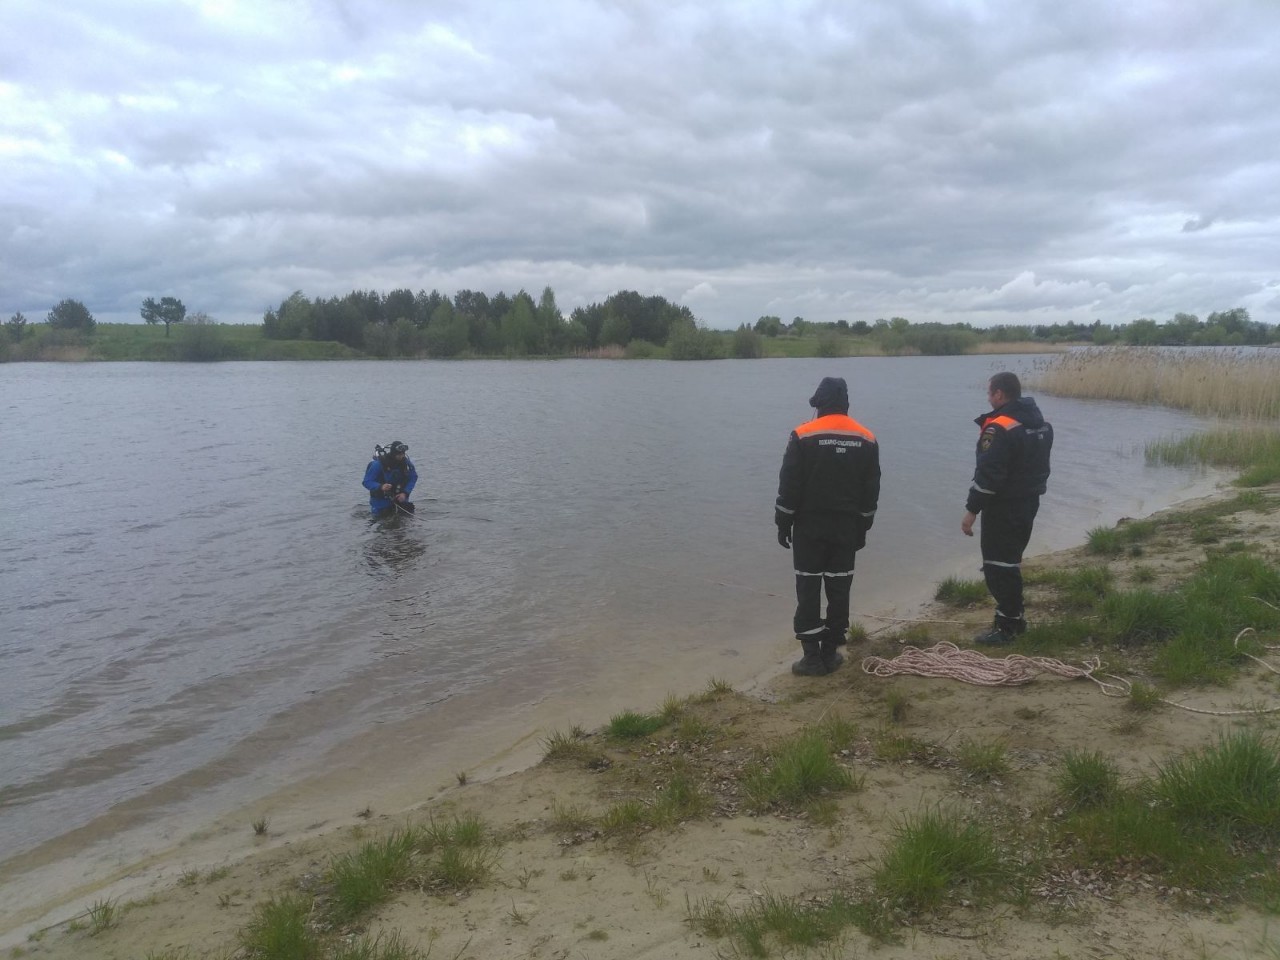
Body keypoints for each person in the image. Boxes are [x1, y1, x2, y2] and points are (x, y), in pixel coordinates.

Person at [775, 376, 881, 676]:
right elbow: (870, 490)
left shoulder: (802, 434)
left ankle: (811, 658)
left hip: (809, 527)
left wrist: (783, 521)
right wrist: (864, 526)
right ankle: (831, 653)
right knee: (839, 588)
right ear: (846, 404)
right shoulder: (867, 438)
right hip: (846, 528)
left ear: (818, 404)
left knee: (808, 588)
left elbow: (790, 484)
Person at [961, 372, 1053, 645]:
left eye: (990, 393)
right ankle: (1014, 619)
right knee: (1010, 561)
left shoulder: (999, 428)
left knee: (998, 566)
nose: (988, 398)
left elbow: (989, 476)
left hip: (1004, 506)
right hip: (1028, 502)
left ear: (1000, 394)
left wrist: (971, 511)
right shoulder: (1040, 424)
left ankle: (1008, 627)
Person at [363, 440, 418, 517]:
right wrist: (381, 486)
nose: (402, 456)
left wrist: (405, 493)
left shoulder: (406, 463)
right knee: (380, 521)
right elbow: (366, 481)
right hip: (380, 502)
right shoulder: (378, 464)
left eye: (403, 454)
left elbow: (413, 477)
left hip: (400, 499)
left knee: (406, 521)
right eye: (399, 454)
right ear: (393, 453)